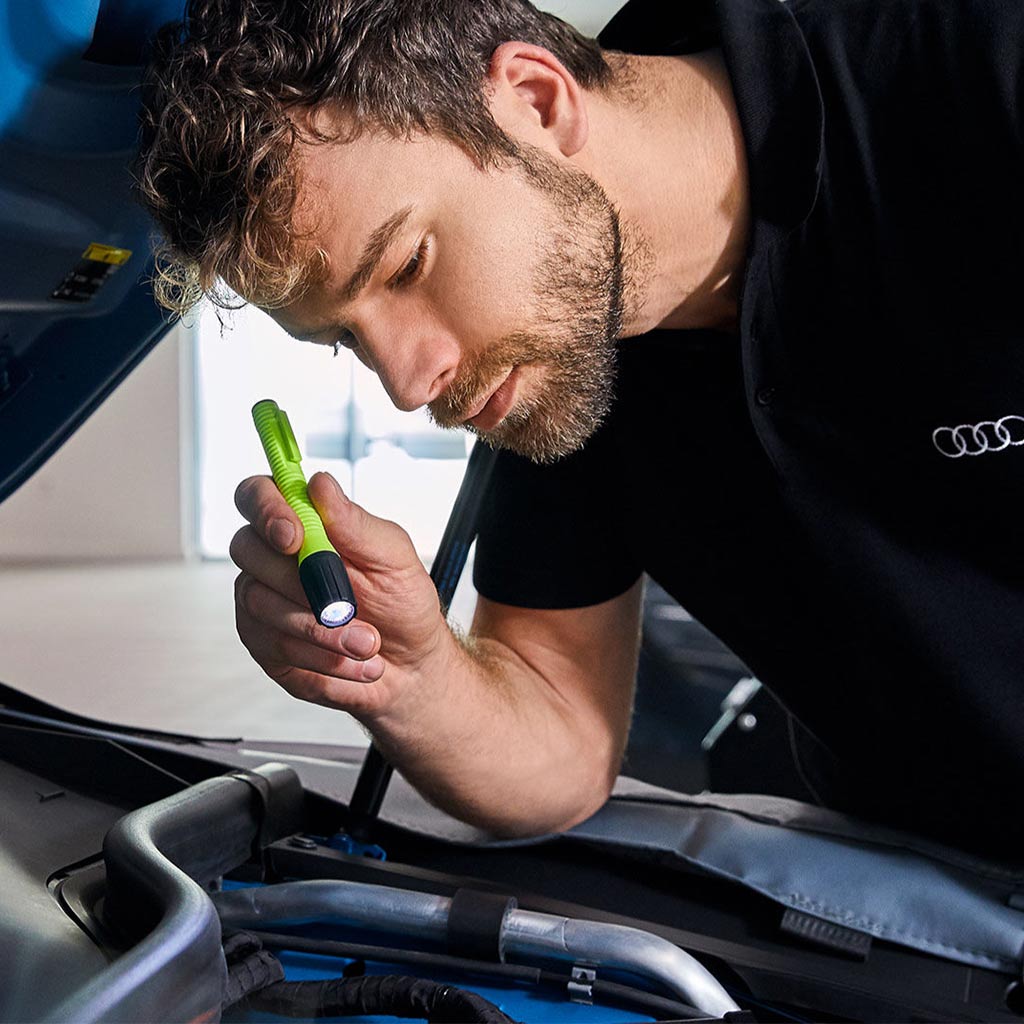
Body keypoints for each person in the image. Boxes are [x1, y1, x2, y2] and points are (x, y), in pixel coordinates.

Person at [136, 0, 1024, 857]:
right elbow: (560, 747)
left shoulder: (980, 65)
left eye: (407, 263)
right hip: (936, 897)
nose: (408, 385)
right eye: (342, 339)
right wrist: (412, 676)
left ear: (536, 99)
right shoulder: (564, 349)